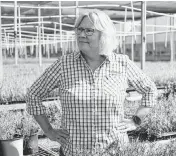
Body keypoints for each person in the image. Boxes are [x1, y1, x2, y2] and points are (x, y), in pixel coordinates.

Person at [26, 9, 158, 156]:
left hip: (114, 150)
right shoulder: (64, 64)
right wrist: (49, 131)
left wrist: (136, 120)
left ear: (104, 35)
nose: (82, 34)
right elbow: (33, 94)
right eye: (80, 29)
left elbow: (150, 90)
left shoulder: (122, 63)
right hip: (74, 151)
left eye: (89, 31)